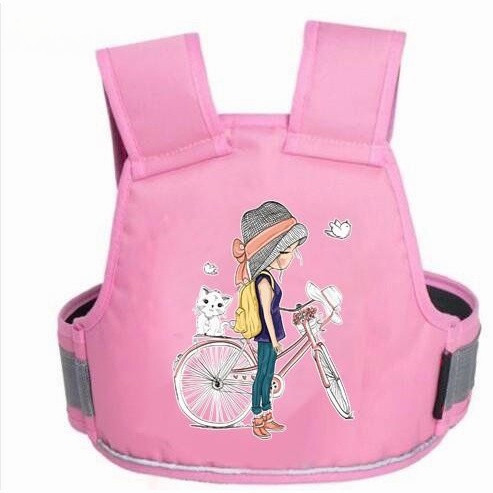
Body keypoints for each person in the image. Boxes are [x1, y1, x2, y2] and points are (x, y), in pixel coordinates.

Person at [232, 201, 308, 439]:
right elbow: (266, 313)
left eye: (291, 250)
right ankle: (257, 417)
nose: (290, 256)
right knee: (263, 375)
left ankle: (267, 415)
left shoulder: (269, 279)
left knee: (269, 374)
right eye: (286, 251)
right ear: (272, 253)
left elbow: (273, 307)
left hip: (271, 332)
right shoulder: (264, 280)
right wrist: (274, 340)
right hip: (266, 335)